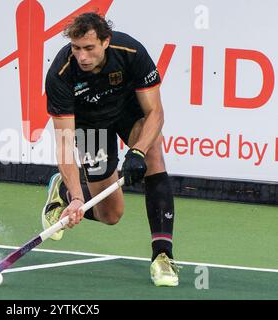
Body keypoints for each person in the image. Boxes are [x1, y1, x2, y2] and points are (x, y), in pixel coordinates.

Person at [42, 12, 179, 287]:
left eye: (89, 48)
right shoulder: (61, 75)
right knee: (111, 215)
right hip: (91, 127)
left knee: (153, 153)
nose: (81, 56)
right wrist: (77, 199)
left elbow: (156, 113)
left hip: (127, 112)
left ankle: (162, 255)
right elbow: (65, 143)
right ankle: (64, 191)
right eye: (76, 48)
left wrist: (138, 151)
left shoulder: (130, 52)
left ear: (105, 41)